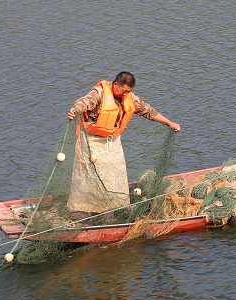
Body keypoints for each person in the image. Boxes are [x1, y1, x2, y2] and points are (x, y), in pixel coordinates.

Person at [66, 71, 180, 221]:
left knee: (114, 175)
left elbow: (148, 111)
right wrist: (76, 110)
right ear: (115, 84)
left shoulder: (128, 97)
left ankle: (111, 209)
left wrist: (169, 123)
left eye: (129, 91)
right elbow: (84, 102)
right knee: (90, 176)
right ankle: (83, 211)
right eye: (124, 91)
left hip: (112, 141)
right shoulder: (99, 93)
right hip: (92, 141)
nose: (126, 94)